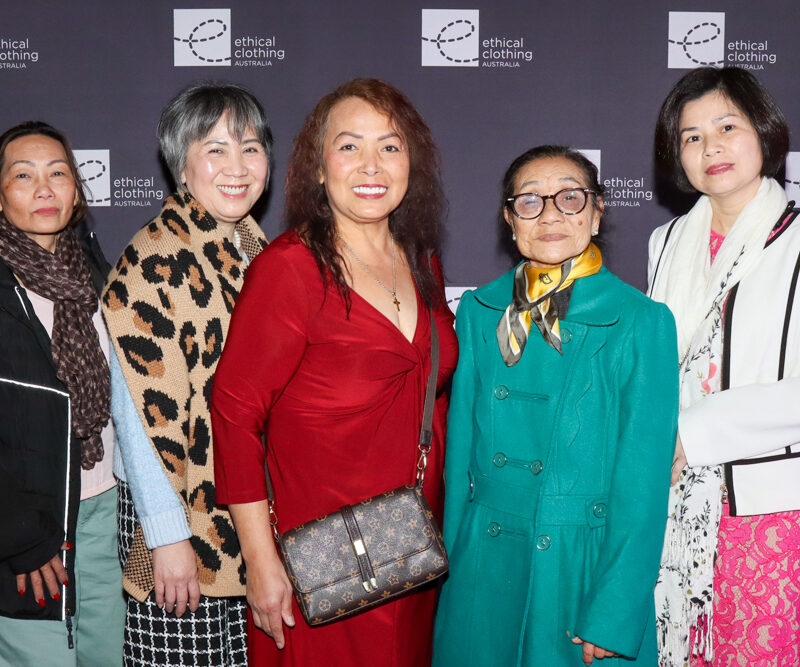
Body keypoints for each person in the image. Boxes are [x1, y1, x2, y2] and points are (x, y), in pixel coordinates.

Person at [210, 78, 458, 666]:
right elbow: (234, 413)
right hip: (322, 560)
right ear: (319, 168)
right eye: (349, 146)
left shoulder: (422, 260)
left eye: (390, 146)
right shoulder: (289, 270)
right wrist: (262, 562)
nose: (371, 165)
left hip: (411, 546)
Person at [433, 145, 679, 667]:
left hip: (580, 569)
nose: (549, 215)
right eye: (530, 201)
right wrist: (452, 576)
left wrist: (615, 611)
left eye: (570, 198)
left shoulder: (640, 321)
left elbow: (643, 485)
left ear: (596, 211)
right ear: (508, 217)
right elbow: (458, 463)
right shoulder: (480, 312)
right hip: (483, 567)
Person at [101, 83, 271, 666]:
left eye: (250, 148)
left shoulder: (255, 249)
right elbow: (138, 411)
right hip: (176, 519)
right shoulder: (154, 257)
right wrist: (168, 536)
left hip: (244, 512)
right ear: (182, 164)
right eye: (216, 149)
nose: (237, 166)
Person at [649, 66, 800, 667]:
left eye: (727, 126)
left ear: (763, 133)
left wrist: (697, 428)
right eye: (690, 136)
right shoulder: (665, 244)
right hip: (677, 509)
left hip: (772, 509)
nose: (709, 147)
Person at [0, 121, 125, 666]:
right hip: (29, 531)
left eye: (58, 173)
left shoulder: (101, 276)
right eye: (23, 175)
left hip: (104, 515)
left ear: (76, 189)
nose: (44, 188)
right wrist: (20, 536)